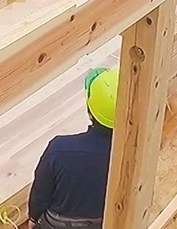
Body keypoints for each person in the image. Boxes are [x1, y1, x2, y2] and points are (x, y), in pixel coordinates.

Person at [27, 67, 117, 229]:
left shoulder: (60, 150)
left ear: (90, 111)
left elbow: (40, 194)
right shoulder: (131, 154)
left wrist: (33, 219)